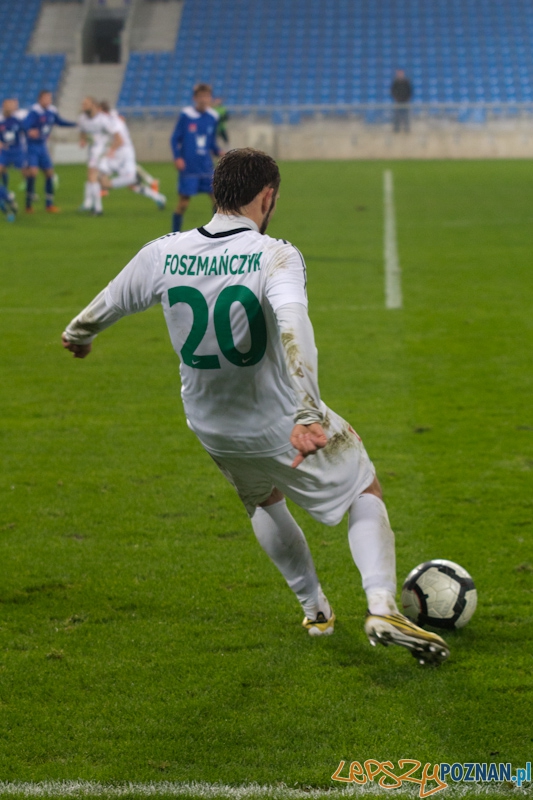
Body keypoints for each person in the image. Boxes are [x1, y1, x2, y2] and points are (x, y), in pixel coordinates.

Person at [61, 148, 449, 667]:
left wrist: (78, 335)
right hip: (277, 420)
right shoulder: (276, 255)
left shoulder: (164, 252)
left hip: (211, 424)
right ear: (267, 196)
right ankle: (382, 605)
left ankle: (316, 611)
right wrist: (309, 413)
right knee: (363, 485)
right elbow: (294, 328)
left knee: (261, 500)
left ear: (216, 193)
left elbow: (107, 302)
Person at [170, 83, 223, 233]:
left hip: (206, 165)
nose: (203, 99)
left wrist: (219, 151)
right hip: (189, 166)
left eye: (206, 96)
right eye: (200, 96)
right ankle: (174, 234)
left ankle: (218, 233)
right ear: (195, 98)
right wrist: (177, 157)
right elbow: (175, 138)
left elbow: (211, 142)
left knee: (217, 202)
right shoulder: (186, 115)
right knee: (183, 203)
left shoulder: (213, 117)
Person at [97, 102, 166, 212]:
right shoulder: (111, 118)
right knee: (128, 183)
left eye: (99, 112)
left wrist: (111, 150)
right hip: (119, 154)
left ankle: (100, 192)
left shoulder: (112, 121)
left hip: (123, 154)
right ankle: (157, 196)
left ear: (102, 111)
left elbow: (120, 139)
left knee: (129, 181)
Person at [23, 89, 77, 213]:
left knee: (49, 174)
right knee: (33, 172)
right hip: (32, 146)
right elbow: (25, 124)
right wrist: (29, 131)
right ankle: (28, 205)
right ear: (40, 99)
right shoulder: (35, 111)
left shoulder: (52, 110)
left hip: (42, 146)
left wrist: (74, 124)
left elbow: (59, 121)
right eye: (46, 98)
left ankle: (49, 204)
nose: (49, 100)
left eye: (50, 98)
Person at [78, 96, 121, 214]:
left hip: (102, 151)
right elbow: (82, 132)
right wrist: (82, 140)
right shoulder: (82, 118)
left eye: (86, 104)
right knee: (92, 177)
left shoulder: (103, 119)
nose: (83, 106)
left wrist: (111, 150)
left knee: (93, 176)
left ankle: (97, 208)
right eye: (83, 104)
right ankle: (90, 204)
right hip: (92, 151)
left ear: (93, 105)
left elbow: (117, 137)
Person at [0, 98, 27, 193]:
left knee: (25, 170)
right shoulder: (1, 119)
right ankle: (5, 190)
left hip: (17, 149)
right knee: (2, 169)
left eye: (10, 105)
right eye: (7, 105)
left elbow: (25, 130)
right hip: (5, 150)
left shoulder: (17, 119)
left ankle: (28, 186)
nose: (9, 107)